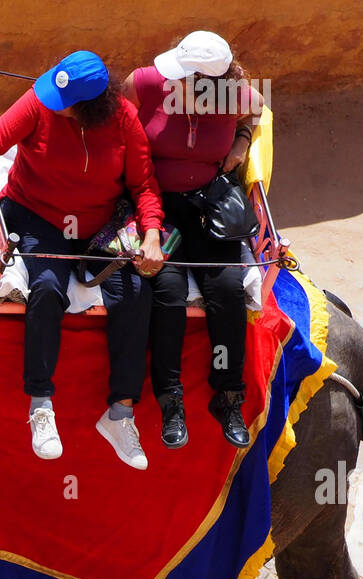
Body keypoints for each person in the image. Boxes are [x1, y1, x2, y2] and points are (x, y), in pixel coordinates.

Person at [0, 51, 165, 468]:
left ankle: (120, 414)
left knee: (133, 292)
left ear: (94, 108)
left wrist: (150, 236)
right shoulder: (40, 101)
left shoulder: (124, 120)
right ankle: (41, 404)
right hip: (37, 214)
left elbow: (144, 184)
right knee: (47, 288)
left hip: (98, 225)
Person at [123, 32, 265, 450]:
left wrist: (240, 142)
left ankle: (228, 396)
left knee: (226, 287)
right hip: (153, 204)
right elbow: (115, 129)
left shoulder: (234, 97)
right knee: (167, 291)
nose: (173, 80)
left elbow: (257, 111)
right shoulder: (146, 83)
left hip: (206, 206)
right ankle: (171, 400)